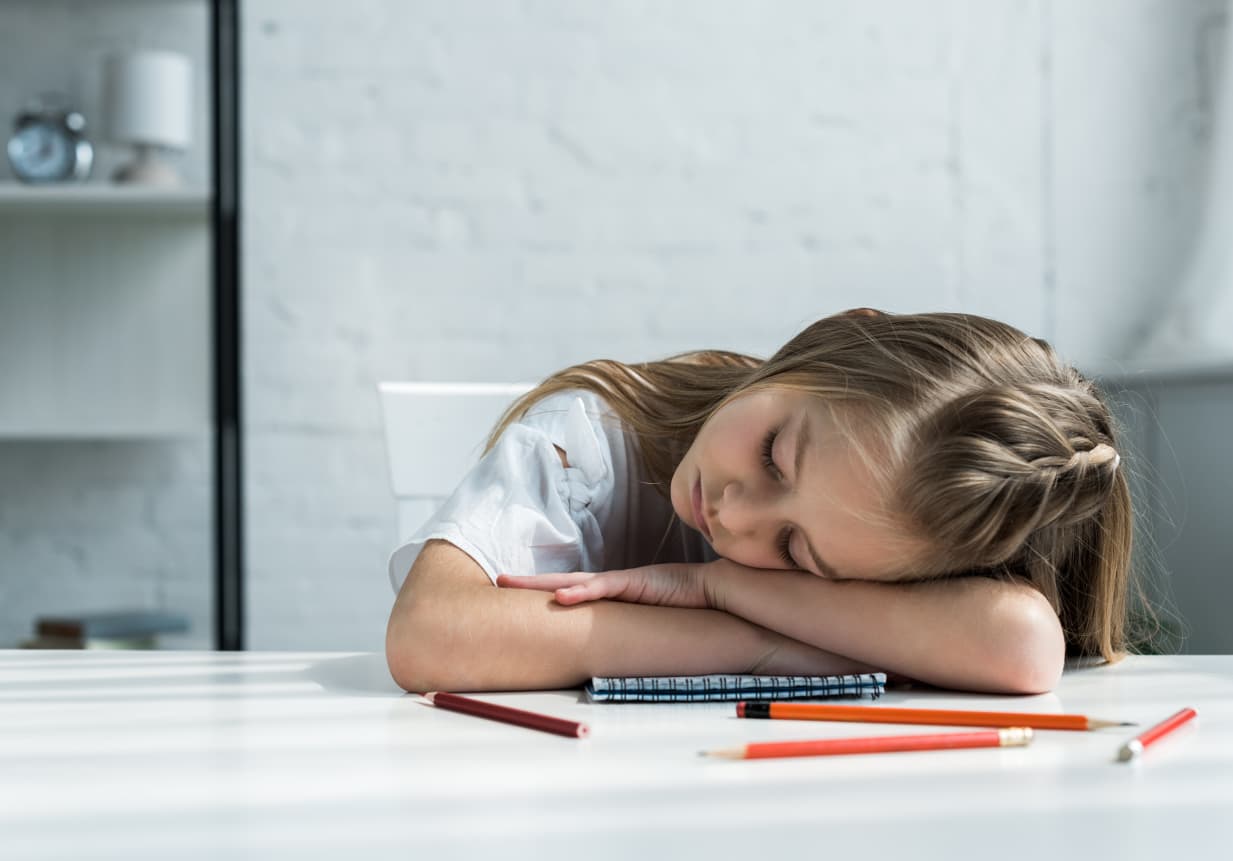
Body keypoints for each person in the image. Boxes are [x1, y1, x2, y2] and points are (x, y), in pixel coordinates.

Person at [385, 309, 1139, 695]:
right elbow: (430, 633)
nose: (735, 515)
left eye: (794, 552)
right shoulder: (592, 436)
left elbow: (1022, 643)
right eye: (775, 452)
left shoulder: (849, 542)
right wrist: (762, 646)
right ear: (835, 335)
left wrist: (717, 584)